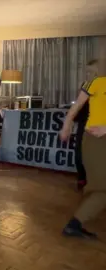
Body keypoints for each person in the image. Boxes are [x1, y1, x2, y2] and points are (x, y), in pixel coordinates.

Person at [59, 60, 106, 239]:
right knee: (101, 187)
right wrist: (66, 125)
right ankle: (75, 224)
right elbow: (76, 107)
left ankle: (75, 223)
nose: (90, 74)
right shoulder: (95, 83)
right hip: (95, 139)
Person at [72, 59, 98, 191]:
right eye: (88, 72)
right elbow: (79, 105)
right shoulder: (86, 85)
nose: (89, 74)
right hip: (85, 123)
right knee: (80, 152)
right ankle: (82, 178)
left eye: (92, 71)